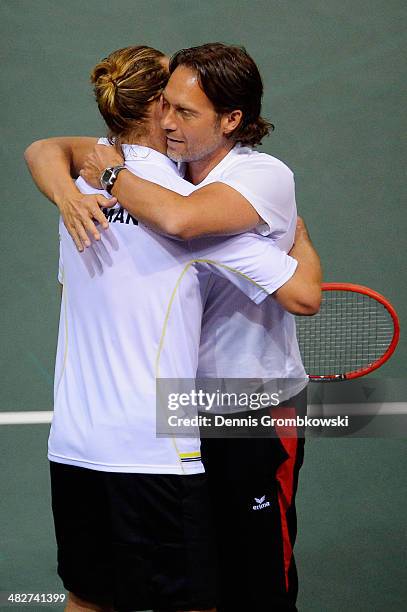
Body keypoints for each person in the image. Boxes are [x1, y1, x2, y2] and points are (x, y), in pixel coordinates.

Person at [25, 43, 322, 612]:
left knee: (95, 596)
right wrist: (302, 245)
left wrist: (77, 187)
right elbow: (300, 292)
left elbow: (48, 150)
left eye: (189, 111)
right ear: (155, 110)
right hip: (160, 439)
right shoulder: (181, 203)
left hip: (196, 417)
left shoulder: (84, 193)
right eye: (173, 108)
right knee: (196, 598)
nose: (176, 121)